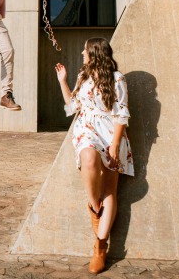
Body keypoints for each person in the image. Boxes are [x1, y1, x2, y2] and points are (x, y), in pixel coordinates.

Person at [55, 38, 134, 274]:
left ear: (95, 53)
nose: (81, 52)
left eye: (85, 49)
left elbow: (121, 115)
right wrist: (63, 82)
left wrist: (114, 145)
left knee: (110, 189)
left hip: (111, 134)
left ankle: (100, 247)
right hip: (86, 129)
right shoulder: (83, 77)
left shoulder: (117, 78)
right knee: (88, 159)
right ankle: (94, 205)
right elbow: (73, 107)